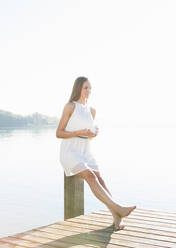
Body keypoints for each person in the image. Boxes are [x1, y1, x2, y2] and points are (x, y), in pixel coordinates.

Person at [56, 76, 136, 231]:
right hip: (70, 151)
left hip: (85, 150)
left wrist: (91, 135)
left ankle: (116, 217)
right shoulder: (70, 106)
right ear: (78, 88)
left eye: (90, 88)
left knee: (100, 178)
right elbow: (59, 133)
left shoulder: (92, 111)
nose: (89, 91)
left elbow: (88, 136)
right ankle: (119, 209)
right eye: (86, 87)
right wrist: (81, 132)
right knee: (90, 176)